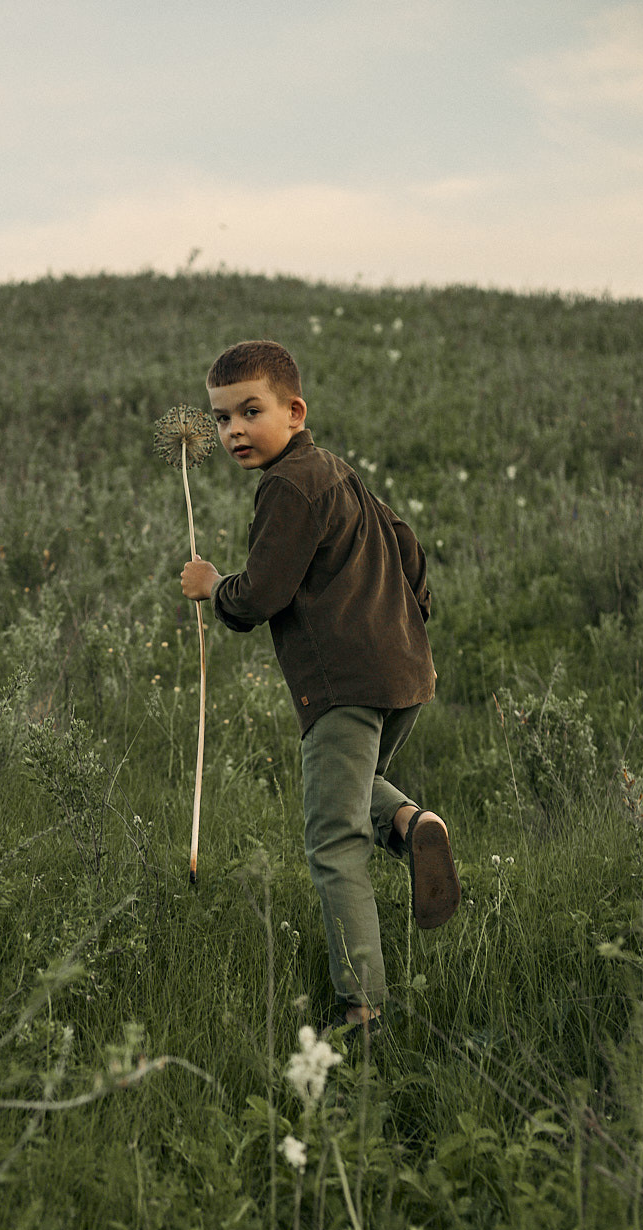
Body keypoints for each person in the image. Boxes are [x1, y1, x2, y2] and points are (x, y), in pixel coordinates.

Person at [180, 340, 459, 1030]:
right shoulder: (336, 472)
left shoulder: (286, 486)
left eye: (251, 411)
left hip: (344, 686)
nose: (234, 430)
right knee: (354, 787)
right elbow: (407, 541)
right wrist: (409, 615)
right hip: (405, 672)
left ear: (294, 411)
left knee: (333, 844)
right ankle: (411, 824)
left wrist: (213, 587)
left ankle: (361, 1010)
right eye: (221, 419)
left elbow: (261, 595)